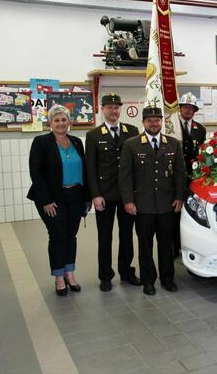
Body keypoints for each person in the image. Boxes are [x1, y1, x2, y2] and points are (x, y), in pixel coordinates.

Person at [119, 106, 186, 295]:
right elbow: (125, 177)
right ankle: (148, 280)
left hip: (167, 204)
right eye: (150, 120)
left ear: (161, 122)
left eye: (157, 120)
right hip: (143, 205)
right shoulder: (131, 145)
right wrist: (128, 201)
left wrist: (179, 196)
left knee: (166, 244)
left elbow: (180, 174)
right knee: (145, 245)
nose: (154, 123)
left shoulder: (173, 144)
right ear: (143, 123)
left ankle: (168, 279)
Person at [28, 105, 91, 296]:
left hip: (75, 196)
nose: (61, 123)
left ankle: (70, 273)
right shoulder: (41, 142)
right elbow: (36, 174)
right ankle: (58, 276)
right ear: (50, 123)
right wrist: (46, 200)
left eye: (64, 120)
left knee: (71, 236)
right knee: (57, 236)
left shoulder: (77, 142)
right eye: (56, 120)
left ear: (69, 122)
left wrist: (87, 198)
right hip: (52, 199)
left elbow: (85, 171)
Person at [85, 93, 140, 291]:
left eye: (116, 107)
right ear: (102, 109)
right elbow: (90, 169)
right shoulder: (93, 135)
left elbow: (136, 166)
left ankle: (126, 272)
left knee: (127, 235)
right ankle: (105, 276)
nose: (113, 111)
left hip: (126, 195)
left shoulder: (132, 131)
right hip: (104, 195)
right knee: (105, 236)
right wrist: (95, 195)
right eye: (109, 107)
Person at [174, 93, 206, 258]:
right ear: (180, 108)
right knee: (174, 211)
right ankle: (174, 246)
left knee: (191, 208)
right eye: (185, 107)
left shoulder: (200, 129)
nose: (188, 110)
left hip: (192, 175)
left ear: (194, 110)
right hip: (174, 174)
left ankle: (186, 243)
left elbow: (201, 153)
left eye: (191, 108)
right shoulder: (171, 125)